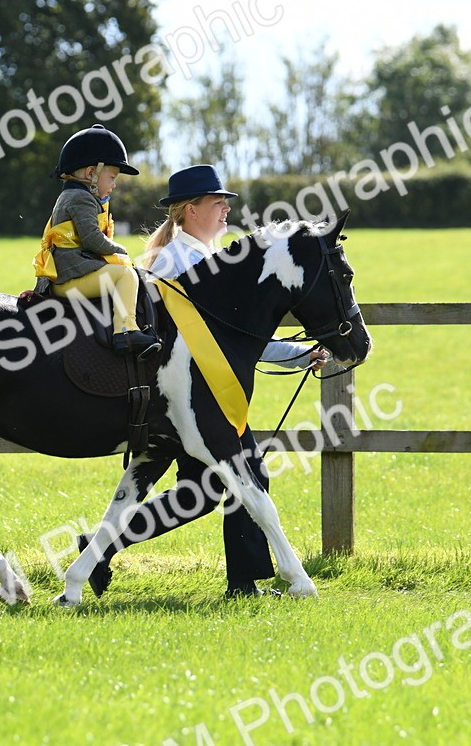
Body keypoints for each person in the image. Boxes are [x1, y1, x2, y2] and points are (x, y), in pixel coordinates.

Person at [81, 164, 329, 598]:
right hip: (193, 400)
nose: (226, 211)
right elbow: (220, 340)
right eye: (218, 203)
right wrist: (296, 353)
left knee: (208, 489)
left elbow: (233, 340)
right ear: (190, 210)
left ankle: (100, 548)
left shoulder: (203, 257)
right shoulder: (185, 262)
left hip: (201, 395)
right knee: (241, 478)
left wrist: (298, 353)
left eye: (226, 203)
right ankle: (242, 585)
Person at [31, 124, 161, 359]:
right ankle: (125, 330)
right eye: (111, 177)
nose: (114, 184)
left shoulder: (71, 196)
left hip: (67, 277)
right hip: (71, 279)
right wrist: (121, 251)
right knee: (126, 275)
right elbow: (92, 240)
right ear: (91, 173)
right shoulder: (81, 198)